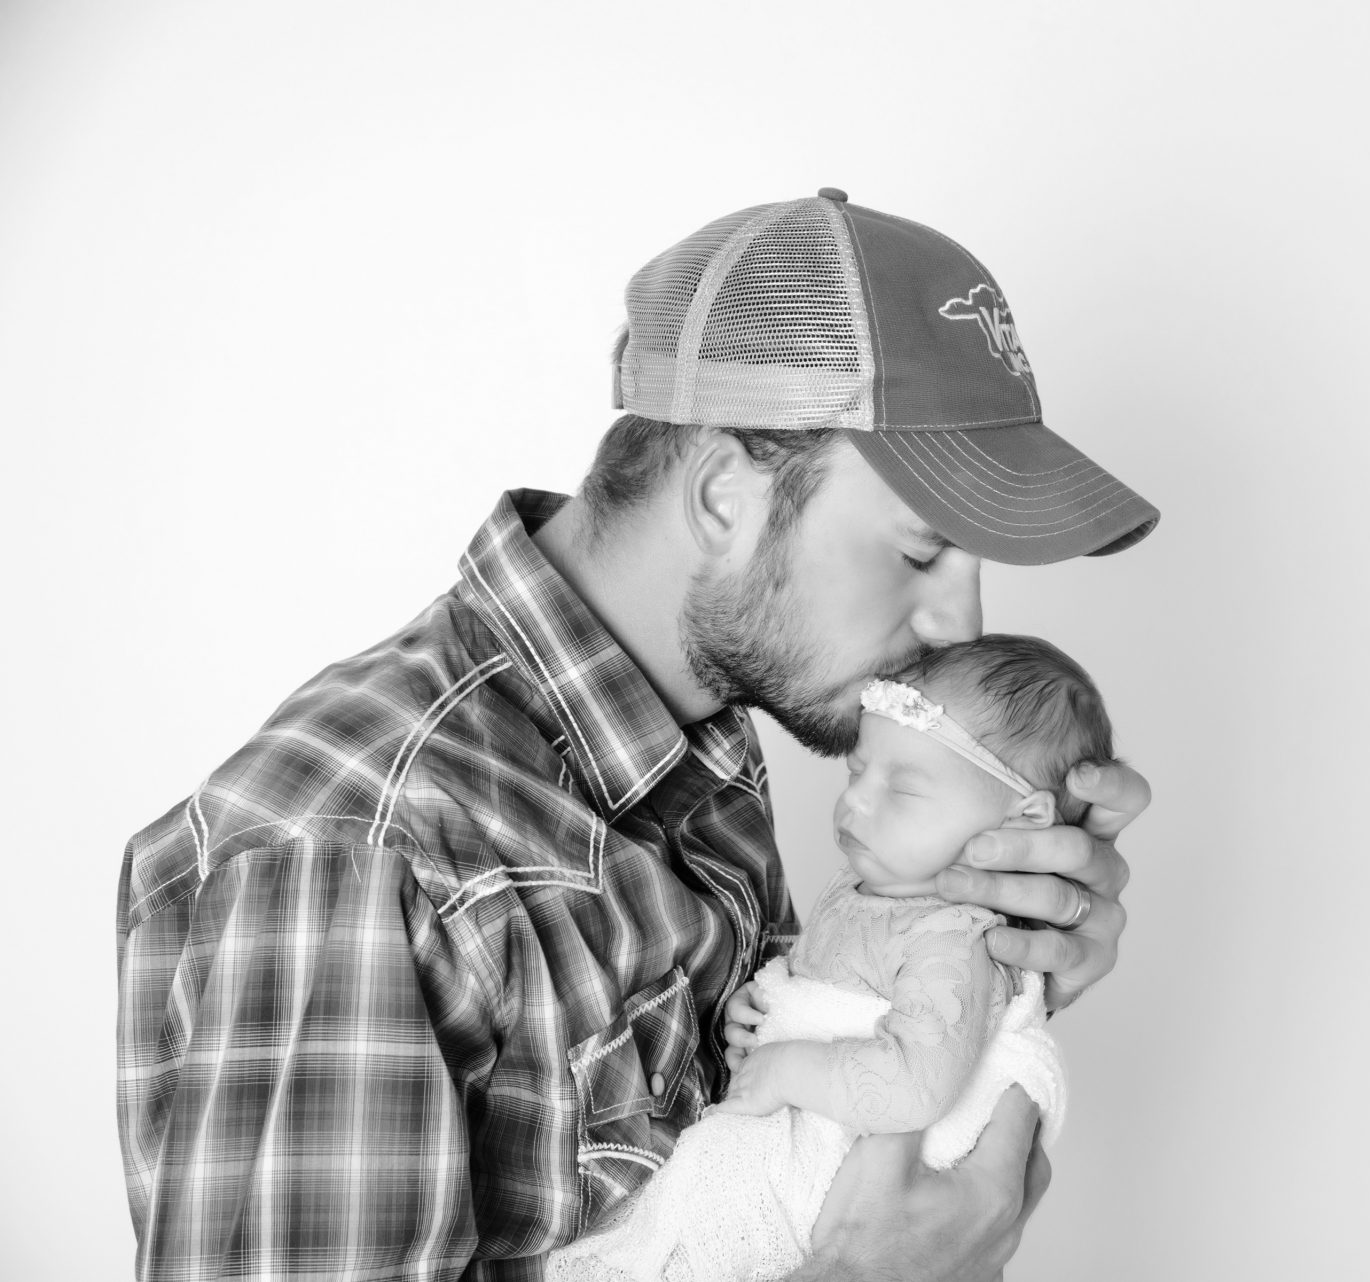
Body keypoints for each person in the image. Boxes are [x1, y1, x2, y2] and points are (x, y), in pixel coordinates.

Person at [114, 189, 1159, 1281]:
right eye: (922, 551)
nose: (963, 624)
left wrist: (993, 953)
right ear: (723, 495)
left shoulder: (702, 740)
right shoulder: (355, 854)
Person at [550, 635, 1109, 1281]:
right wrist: (764, 1008)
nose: (856, 801)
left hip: (844, 1185)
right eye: (857, 770)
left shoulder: (954, 935)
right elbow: (828, 990)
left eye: (904, 790)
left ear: (1024, 818)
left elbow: (914, 1086)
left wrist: (784, 1067)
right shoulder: (871, 886)